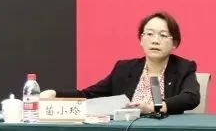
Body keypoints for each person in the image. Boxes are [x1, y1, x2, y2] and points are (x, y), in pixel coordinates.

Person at [41, 11, 200, 115]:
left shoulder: (184, 67)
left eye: (163, 35)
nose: (155, 40)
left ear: (174, 43)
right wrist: (55, 93)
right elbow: (88, 95)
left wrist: (153, 107)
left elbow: (190, 98)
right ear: (141, 40)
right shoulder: (124, 68)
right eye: (149, 34)